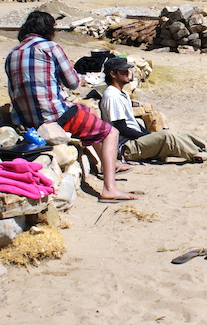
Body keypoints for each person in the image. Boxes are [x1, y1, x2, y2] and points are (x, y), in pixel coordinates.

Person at [5, 11, 136, 203]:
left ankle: (107, 164)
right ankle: (110, 188)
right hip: (53, 115)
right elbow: (72, 82)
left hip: (24, 118)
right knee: (111, 133)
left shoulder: (12, 54)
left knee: (88, 113)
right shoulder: (50, 47)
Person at [100, 57, 207, 162]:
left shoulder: (121, 94)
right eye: (124, 71)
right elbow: (121, 129)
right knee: (168, 137)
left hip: (133, 141)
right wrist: (147, 137)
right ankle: (201, 155)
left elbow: (133, 124)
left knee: (173, 133)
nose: (128, 73)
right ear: (113, 74)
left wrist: (149, 134)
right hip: (126, 147)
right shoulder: (112, 97)